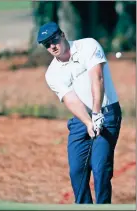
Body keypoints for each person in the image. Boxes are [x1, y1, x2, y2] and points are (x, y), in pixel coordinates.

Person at [37, 22, 122, 204]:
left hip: (107, 114)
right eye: (47, 44)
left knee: (100, 169)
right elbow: (70, 99)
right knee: (77, 170)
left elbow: (97, 78)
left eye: (54, 40)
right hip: (80, 119)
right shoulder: (52, 73)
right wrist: (88, 122)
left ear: (62, 34)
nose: (52, 46)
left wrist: (97, 113)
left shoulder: (88, 45)